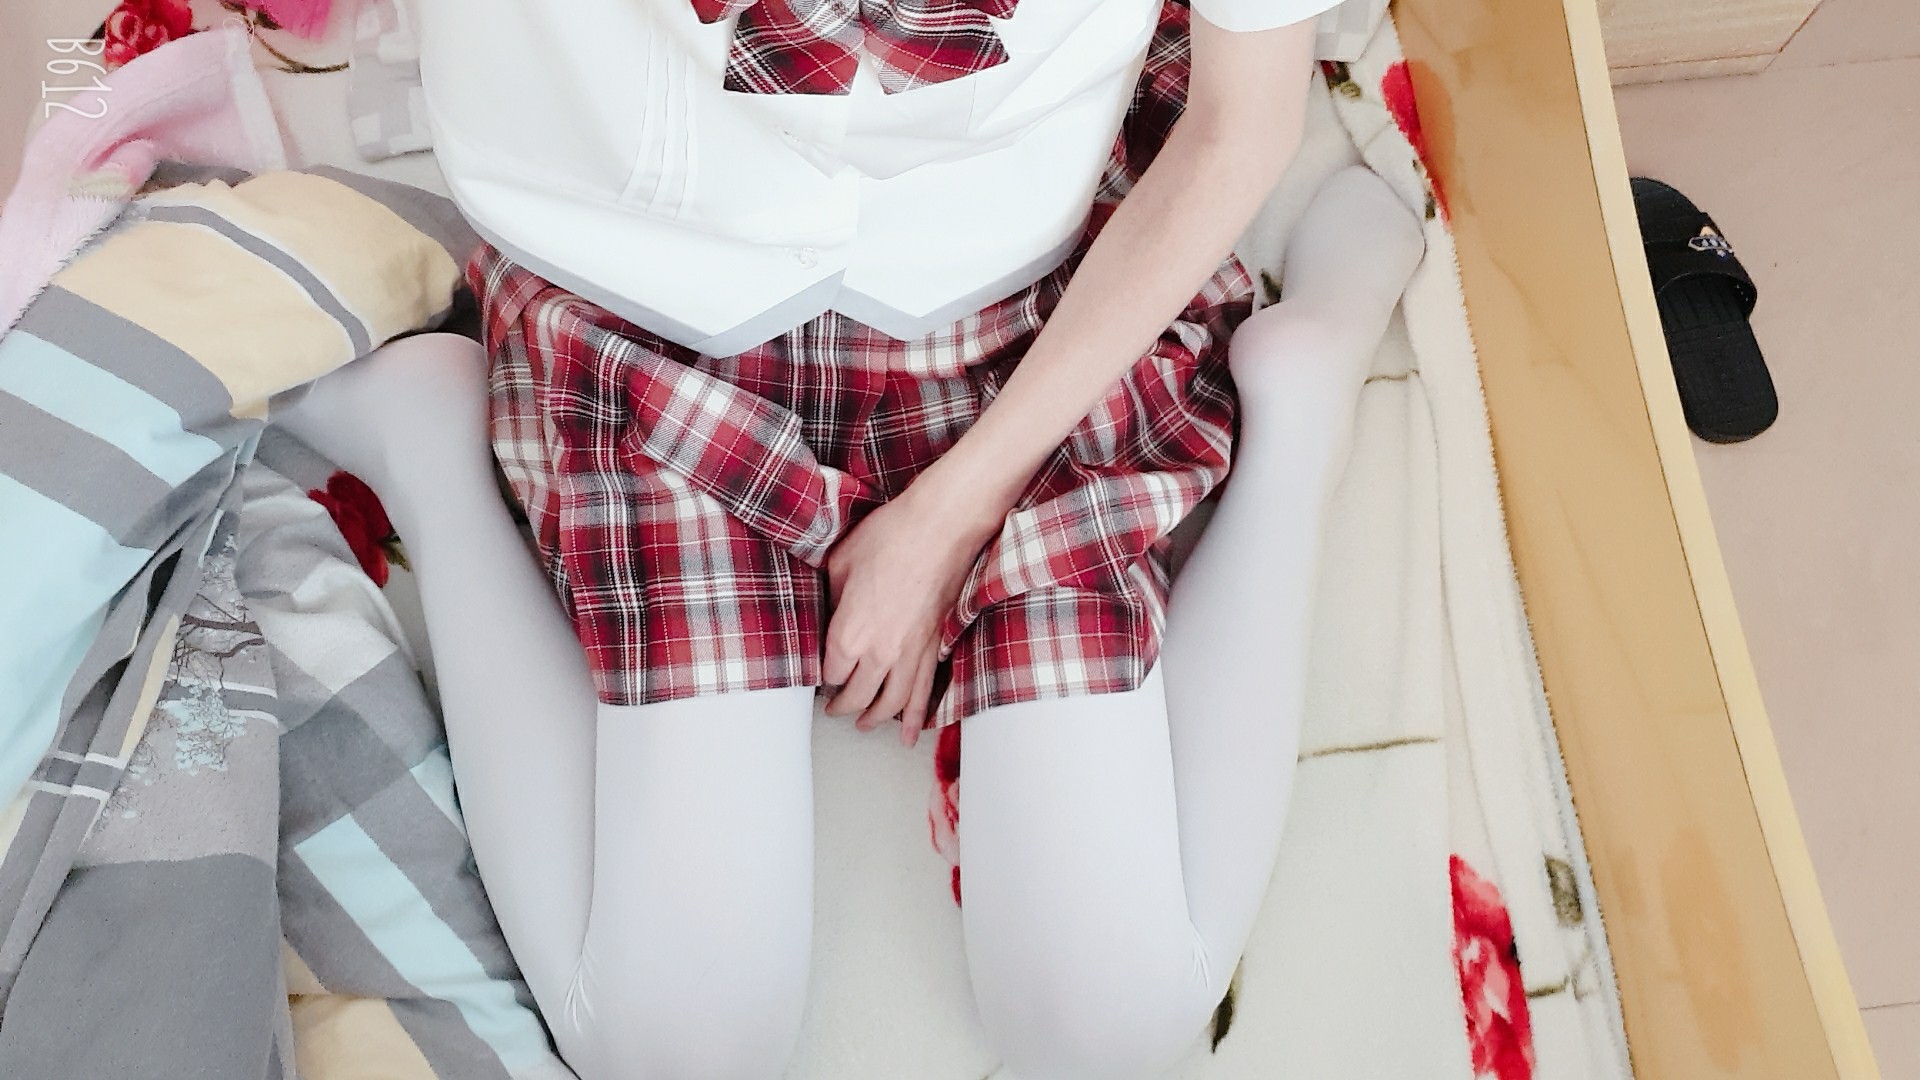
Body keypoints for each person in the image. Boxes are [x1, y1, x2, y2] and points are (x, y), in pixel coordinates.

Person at [279, 1, 1426, 1077]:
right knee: (672, 1044)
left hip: (1028, 305)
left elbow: (1240, 120)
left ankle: (1300, 400)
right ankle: (433, 449)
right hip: (645, 298)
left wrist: (954, 511)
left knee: (1108, 1025)